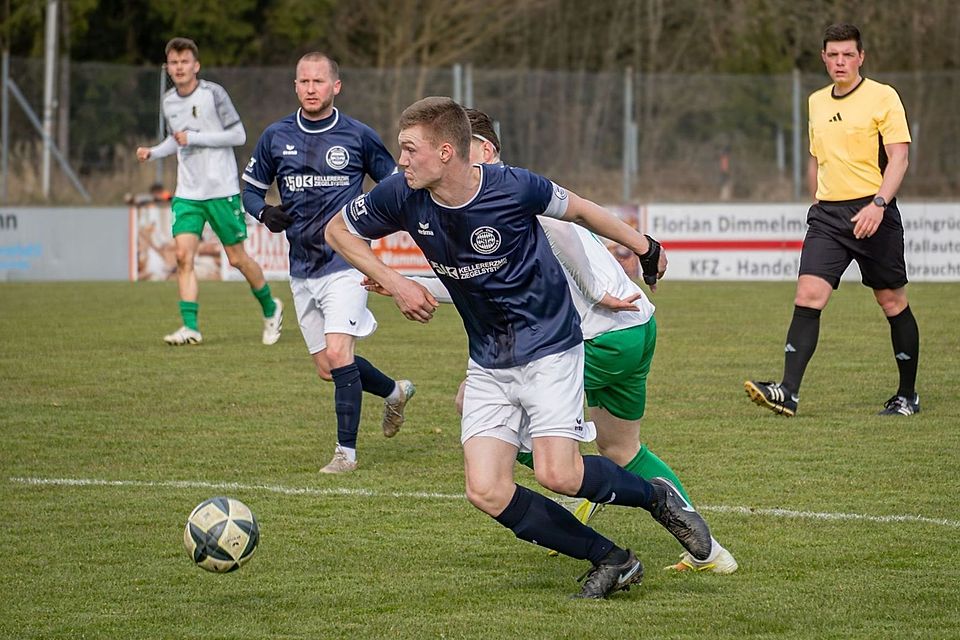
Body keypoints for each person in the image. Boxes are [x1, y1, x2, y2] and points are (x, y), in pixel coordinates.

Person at [326, 96, 714, 600]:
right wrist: (394, 281)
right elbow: (338, 230)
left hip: (550, 346)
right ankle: (611, 559)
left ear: (446, 151)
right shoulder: (402, 193)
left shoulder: (513, 187)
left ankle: (655, 498)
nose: (399, 161)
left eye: (409, 150)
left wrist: (644, 245)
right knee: (486, 489)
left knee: (559, 473)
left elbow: (581, 210)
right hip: (488, 357)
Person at [241, 52, 415, 474]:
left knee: (339, 353)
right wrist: (264, 212)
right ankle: (393, 391)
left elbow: (396, 185)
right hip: (302, 268)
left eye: (319, 81)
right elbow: (249, 190)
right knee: (329, 367)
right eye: (303, 82)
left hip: (349, 262)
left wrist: (378, 222)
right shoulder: (275, 135)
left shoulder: (357, 135)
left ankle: (345, 455)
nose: (311, 88)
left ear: (336, 86)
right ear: (296, 86)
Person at [745, 23, 919, 417]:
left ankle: (907, 395)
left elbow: (900, 158)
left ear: (861, 57)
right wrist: (817, 202)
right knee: (808, 295)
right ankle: (787, 392)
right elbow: (817, 158)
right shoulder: (816, 102)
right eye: (833, 55)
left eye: (848, 55)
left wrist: (878, 204)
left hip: (874, 211)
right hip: (828, 216)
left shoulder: (883, 97)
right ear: (823, 57)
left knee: (891, 301)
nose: (840, 62)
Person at [136, 37, 282, 347]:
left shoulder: (213, 94)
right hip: (188, 192)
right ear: (169, 67)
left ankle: (271, 308)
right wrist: (154, 151)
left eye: (184, 62)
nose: (179, 68)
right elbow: (178, 139)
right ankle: (190, 327)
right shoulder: (168, 101)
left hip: (221, 189)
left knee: (237, 259)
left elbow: (238, 135)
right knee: (182, 256)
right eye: (174, 63)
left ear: (196, 65)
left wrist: (197, 137)